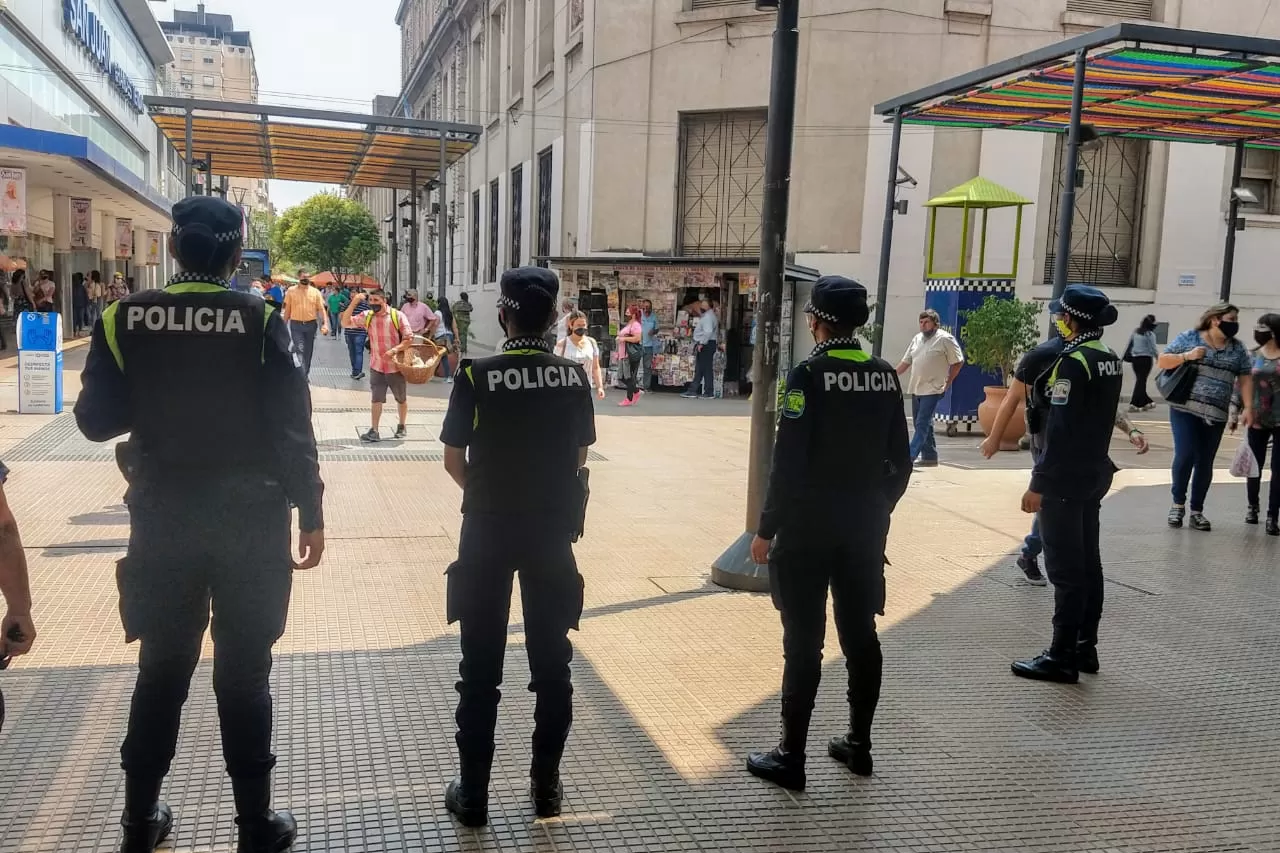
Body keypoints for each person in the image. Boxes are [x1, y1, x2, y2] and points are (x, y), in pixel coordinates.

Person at [73, 195, 324, 852]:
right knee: (244, 673)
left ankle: (137, 823)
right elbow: (293, 428)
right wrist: (313, 511)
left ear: (174, 249)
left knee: (161, 669)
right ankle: (253, 828)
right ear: (236, 253)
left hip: (163, 517)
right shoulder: (260, 316)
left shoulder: (123, 318)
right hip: (251, 520)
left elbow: (96, 421)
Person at [439, 266, 594, 827]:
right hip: (551, 535)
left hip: (486, 532)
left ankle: (474, 794)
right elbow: (579, 459)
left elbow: (454, 460)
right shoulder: (573, 379)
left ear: (502, 315)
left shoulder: (476, 375)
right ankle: (545, 788)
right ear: (553, 318)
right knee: (551, 667)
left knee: (480, 668)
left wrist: (488, 495)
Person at [744, 276, 911, 792]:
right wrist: (875, 510)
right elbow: (901, 464)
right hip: (864, 531)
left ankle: (791, 756)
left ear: (816, 320)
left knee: (804, 643)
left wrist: (765, 529)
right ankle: (858, 745)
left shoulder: (809, 375)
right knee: (860, 635)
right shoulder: (884, 375)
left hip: (807, 532)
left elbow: (787, 464)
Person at [1011, 285, 1123, 684]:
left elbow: (1060, 429)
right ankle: (1084, 647)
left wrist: (1038, 481)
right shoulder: (1108, 358)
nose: (1058, 319)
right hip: (1093, 474)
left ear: (1070, 320)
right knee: (1088, 564)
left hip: (1064, 479)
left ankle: (1060, 655)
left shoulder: (1072, 362)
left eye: (1061, 315)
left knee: (1065, 570)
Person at [982, 333, 1150, 586]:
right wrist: (994, 438)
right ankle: (1042, 561)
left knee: (1062, 504)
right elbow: (1012, 399)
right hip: (1048, 444)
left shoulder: (1095, 358)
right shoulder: (1041, 356)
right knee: (1051, 499)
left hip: (1084, 447)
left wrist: (1131, 430)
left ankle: (1039, 556)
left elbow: (1108, 403)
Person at [1158, 303, 1254, 532]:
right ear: (1215, 320)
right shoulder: (1190, 337)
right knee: (1185, 454)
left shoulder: (1237, 349)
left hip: (1216, 414)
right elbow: (1162, 361)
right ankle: (1177, 503)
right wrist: (1186, 356)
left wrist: (1248, 407)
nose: (1234, 324)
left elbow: (1245, 378)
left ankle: (1197, 511)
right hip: (1185, 409)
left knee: (1205, 461)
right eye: (1230, 318)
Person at [342, 289, 414, 442]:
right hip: (377, 366)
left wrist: (394, 350)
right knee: (376, 399)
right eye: (371, 300)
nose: (373, 303)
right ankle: (374, 430)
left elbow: (409, 338)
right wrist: (354, 302)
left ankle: (402, 425)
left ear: (384, 300)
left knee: (401, 399)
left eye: (376, 300)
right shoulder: (367, 316)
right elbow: (345, 322)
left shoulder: (397, 316)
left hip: (396, 366)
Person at [896, 309, 964, 468]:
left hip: (933, 389)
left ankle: (909, 457)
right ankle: (930, 456)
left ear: (935, 323)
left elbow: (958, 361)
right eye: (921, 322)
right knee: (924, 423)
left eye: (926, 322)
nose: (923, 325)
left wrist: (948, 382)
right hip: (916, 387)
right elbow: (906, 362)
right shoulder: (917, 339)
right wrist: (890, 375)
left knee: (921, 423)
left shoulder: (945, 339)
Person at [1236, 313, 1280, 535]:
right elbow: (1243, 384)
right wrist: (1239, 410)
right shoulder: (1252, 356)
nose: (1258, 330)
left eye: (1262, 327)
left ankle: (1273, 516)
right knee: (1254, 467)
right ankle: (1253, 507)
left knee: (1279, 470)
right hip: (1257, 418)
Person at [555, 311, 607, 400]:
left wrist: (600, 387)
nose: (582, 328)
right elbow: (555, 368)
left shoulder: (592, 343)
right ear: (571, 325)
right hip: (567, 391)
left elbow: (595, 367)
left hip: (585, 389)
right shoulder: (562, 344)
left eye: (583, 325)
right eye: (578, 325)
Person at [282, 275, 328, 375]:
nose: (305, 278)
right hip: (296, 325)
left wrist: (325, 324)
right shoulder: (291, 291)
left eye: (307, 277)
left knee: (308, 351)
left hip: (310, 325)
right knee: (299, 348)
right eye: (303, 277)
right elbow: (287, 309)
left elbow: (321, 309)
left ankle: (305, 374)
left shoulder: (315, 292)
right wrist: (283, 325)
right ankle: (300, 376)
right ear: (299, 277)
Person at [683, 297, 719, 399]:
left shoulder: (708, 317)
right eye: (701, 305)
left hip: (706, 344)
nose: (702, 307)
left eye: (704, 305)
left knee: (705, 368)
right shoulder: (709, 316)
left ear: (709, 307)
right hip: (708, 343)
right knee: (701, 368)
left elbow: (708, 332)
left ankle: (707, 392)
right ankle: (693, 390)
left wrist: (702, 343)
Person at [1126, 314, 1159, 412]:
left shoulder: (1135, 333)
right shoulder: (1150, 334)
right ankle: (1134, 403)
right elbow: (1153, 348)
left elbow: (1130, 345)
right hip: (1146, 359)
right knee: (1141, 381)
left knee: (1140, 380)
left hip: (1135, 360)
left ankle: (1146, 402)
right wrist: (1158, 358)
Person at [616, 304, 644, 407]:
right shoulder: (630, 323)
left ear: (633, 313)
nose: (626, 311)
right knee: (622, 376)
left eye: (628, 310)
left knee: (628, 377)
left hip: (629, 354)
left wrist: (623, 339)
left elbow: (637, 338)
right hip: (623, 353)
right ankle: (636, 391)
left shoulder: (636, 325)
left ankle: (629, 398)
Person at [435, 296, 459, 383]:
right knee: (443, 356)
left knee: (443, 357)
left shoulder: (437, 313)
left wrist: (430, 335)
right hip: (450, 336)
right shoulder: (450, 313)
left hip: (441, 337)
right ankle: (446, 375)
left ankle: (448, 376)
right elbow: (455, 327)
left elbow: (435, 324)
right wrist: (457, 338)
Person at [639, 299, 659, 391]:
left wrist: (653, 331)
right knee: (636, 366)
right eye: (645, 307)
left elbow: (657, 329)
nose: (646, 309)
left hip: (649, 346)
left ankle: (646, 386)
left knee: (647, 367)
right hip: (638, 345)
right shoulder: (639, 315)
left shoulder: (654, 317)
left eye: (648, 307)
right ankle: (635, 386)